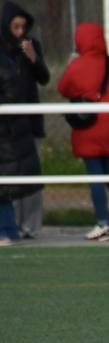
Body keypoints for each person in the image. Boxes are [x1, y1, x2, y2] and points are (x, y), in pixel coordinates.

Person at [57, 22, 109, 242]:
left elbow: (63, 88)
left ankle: (103, 224)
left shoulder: (77, 66)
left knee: (96, 178)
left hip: (89, 131)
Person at [1, 2, 49, 239]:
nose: (20, 31)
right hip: (9, 125)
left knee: (31, 172)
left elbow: (44, 77)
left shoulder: (32, 46)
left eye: (24, 26)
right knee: (11, 175)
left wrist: (33, 58)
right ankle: (13, 225)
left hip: (30, 119)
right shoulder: (2, 49)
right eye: (15, 26)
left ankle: (30, 225)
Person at [0, 52, 39, 246]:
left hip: (6, 137)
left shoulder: (5, 65)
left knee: (3, 188)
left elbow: (12, 96)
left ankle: (8, 231)